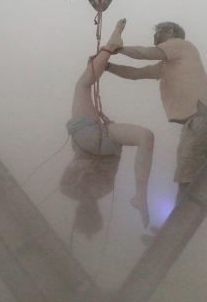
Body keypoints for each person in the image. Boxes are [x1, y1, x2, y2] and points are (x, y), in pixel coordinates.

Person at [105, 21, 207, 204]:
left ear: (170, 32)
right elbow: (136, 73)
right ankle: (179, 219)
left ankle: (178, 223)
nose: (154, 37)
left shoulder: (181, 45)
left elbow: (145, 54)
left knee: (187, 176)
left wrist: (117, 48)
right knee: (189, 173)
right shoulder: (168, 63)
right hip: (199, 120)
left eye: (158, 32)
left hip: (203, 116)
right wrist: (107, 67)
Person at [60, 18, 154, 237]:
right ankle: (110, 47)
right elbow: (78, 164)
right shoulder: (66, 189)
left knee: (145, 136)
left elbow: (97, 166)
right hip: (88, 138)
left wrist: (105, 128)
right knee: (83, 85)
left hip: (107, 145)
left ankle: (141, 195)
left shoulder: (104, 191)